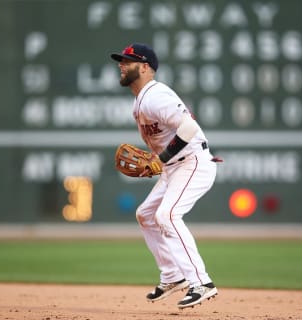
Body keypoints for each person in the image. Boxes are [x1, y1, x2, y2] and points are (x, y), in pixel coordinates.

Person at [111, 43, 219, 309]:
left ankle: (201, 283)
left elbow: (189, 127)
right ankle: (172, 276)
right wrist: (156, 163)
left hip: (193, 163)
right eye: (121, 61)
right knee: (145, 214)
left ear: (145, 67)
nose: (121, 65)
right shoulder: (141, 100)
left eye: (128, 61)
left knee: (167, 215)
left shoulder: (156, 95)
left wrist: (159, 160)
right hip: (175, 167)